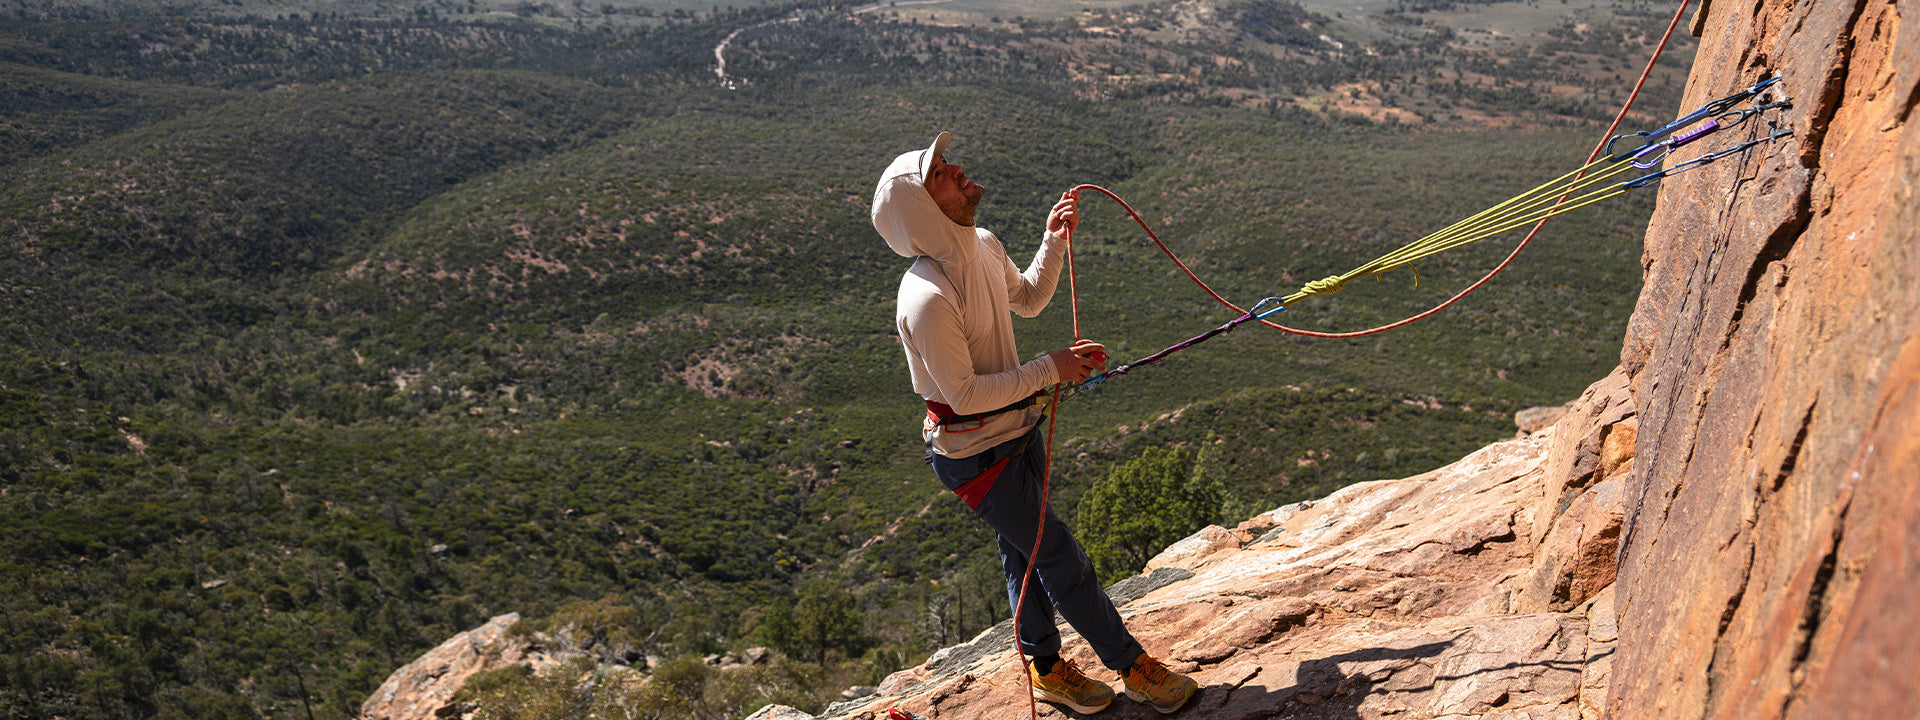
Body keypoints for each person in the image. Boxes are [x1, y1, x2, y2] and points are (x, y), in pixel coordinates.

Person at [871, 132, 1199, 715]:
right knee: (1059, 555)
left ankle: (1046, 668)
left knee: (1024, 552)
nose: (958, 168)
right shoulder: (925, 297)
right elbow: (966, 396)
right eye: (942, 172)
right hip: (974, 450)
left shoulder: (982, 245)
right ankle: (1132, 667)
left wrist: (1052, 241)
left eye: (947, 163)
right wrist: (1052, 369)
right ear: (924, 209)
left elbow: (1027, 298)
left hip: (1013, 431)